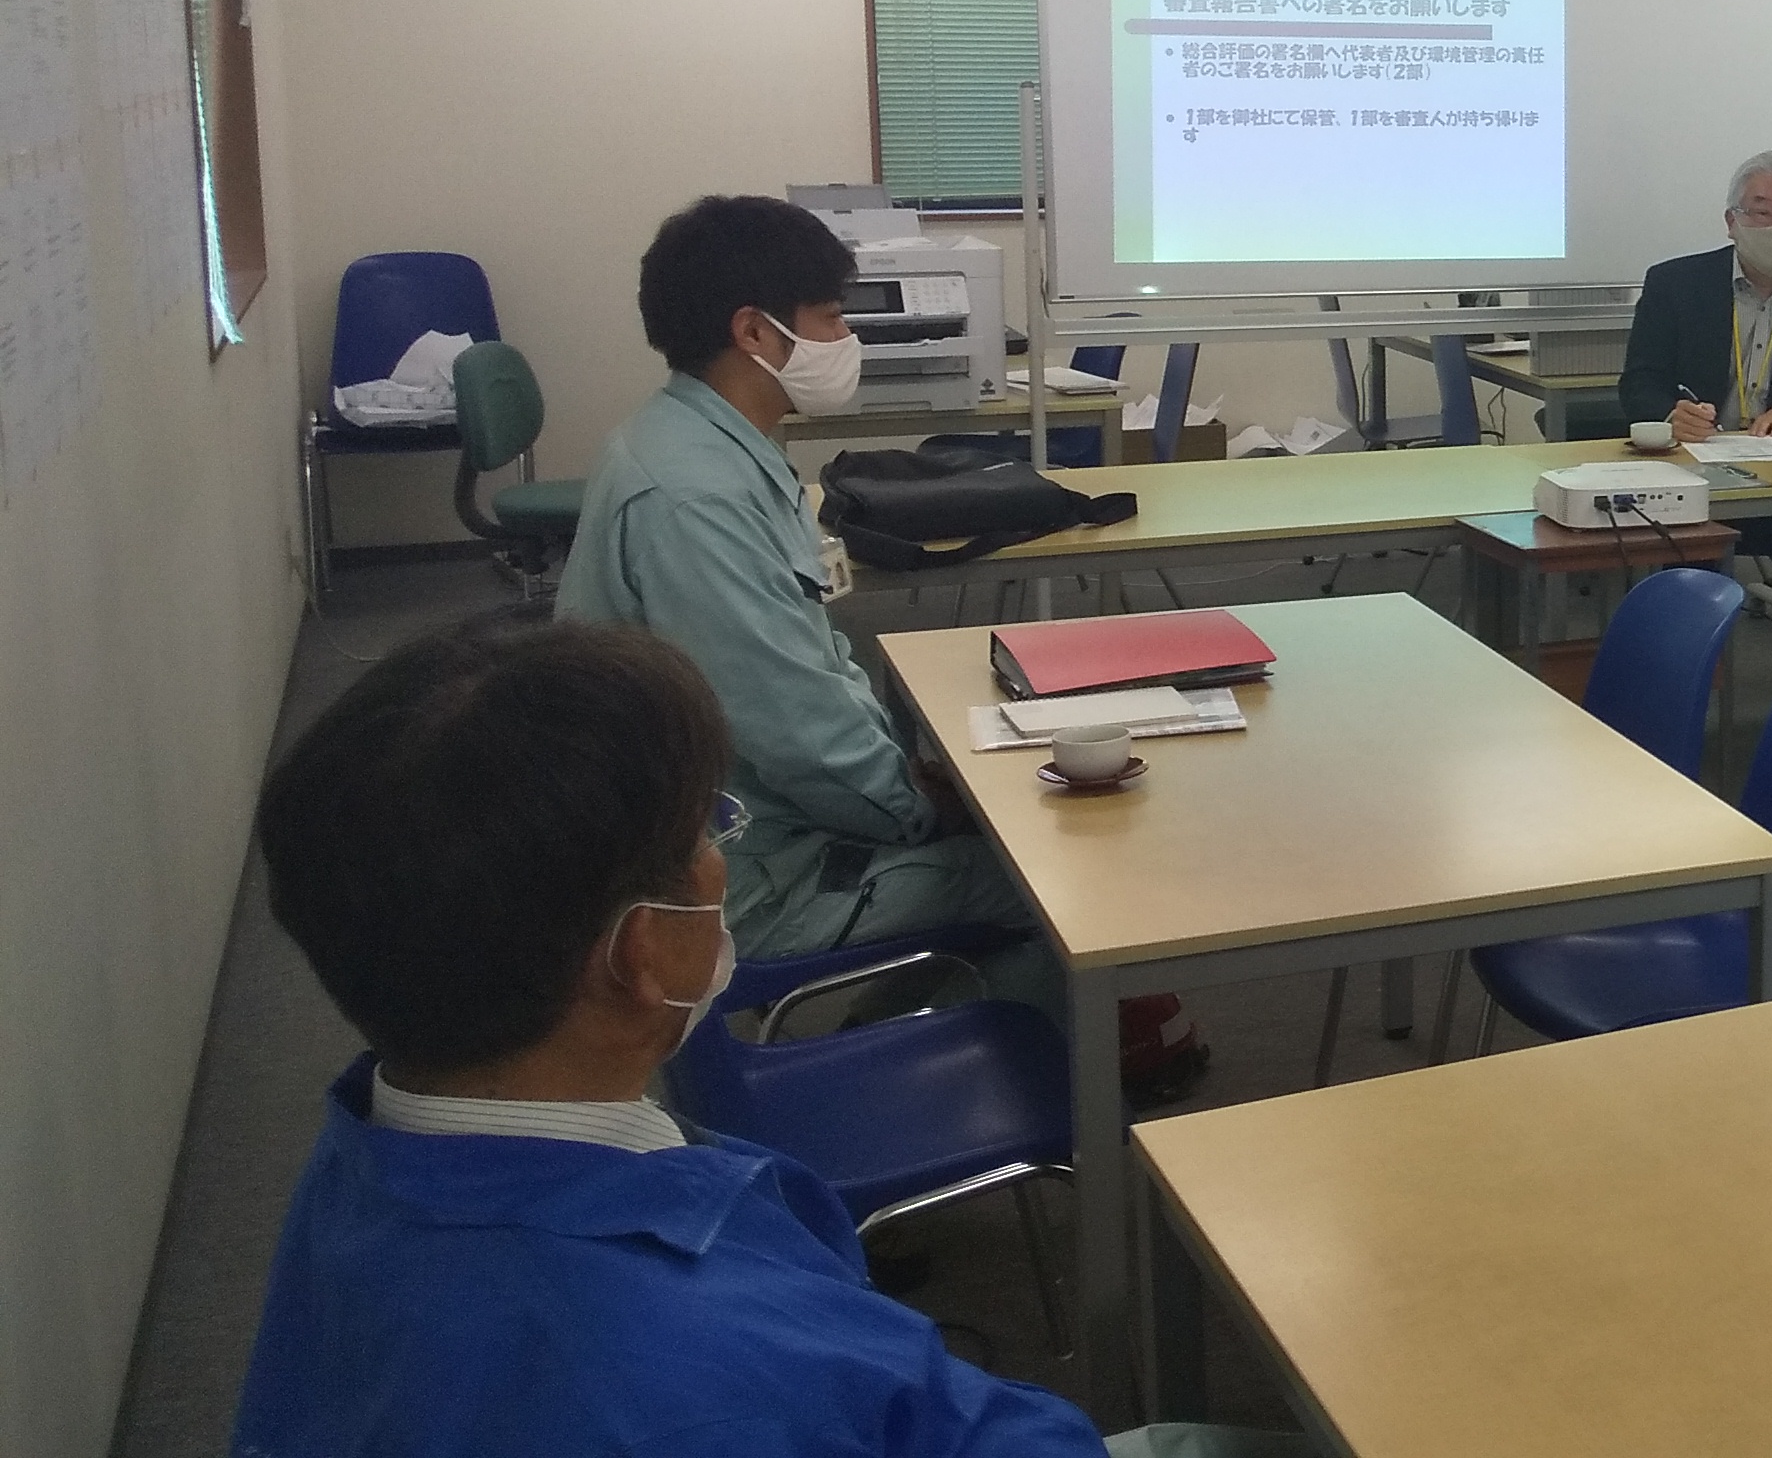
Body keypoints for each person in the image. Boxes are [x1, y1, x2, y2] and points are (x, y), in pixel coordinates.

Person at [237, 617, 1302, 1457]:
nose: (720, 858)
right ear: (644, 952)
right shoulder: (705, 1376)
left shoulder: (366, 1165)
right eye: (707, 827)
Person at [557, 195, 1201, 1097]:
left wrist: (914, 777)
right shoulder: (695, 501)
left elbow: (804, 671)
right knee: (1055, 878)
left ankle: (893, 1046)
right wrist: (920, 808)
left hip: (737, 825)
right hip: (742, 876)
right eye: (831, 318)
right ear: (755, 332)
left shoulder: (701, 447)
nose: (847, 338)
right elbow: (795, 726)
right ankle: (968, 1096)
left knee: (1010, 817)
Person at [1619, 151, 1772, 664]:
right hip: (1694, 476)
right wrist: (1670, 414)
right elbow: (1639, 382)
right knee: (1689, 569)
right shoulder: (1675, 284)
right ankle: (1679, 683)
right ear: (1731, 220)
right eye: (1761, 212)